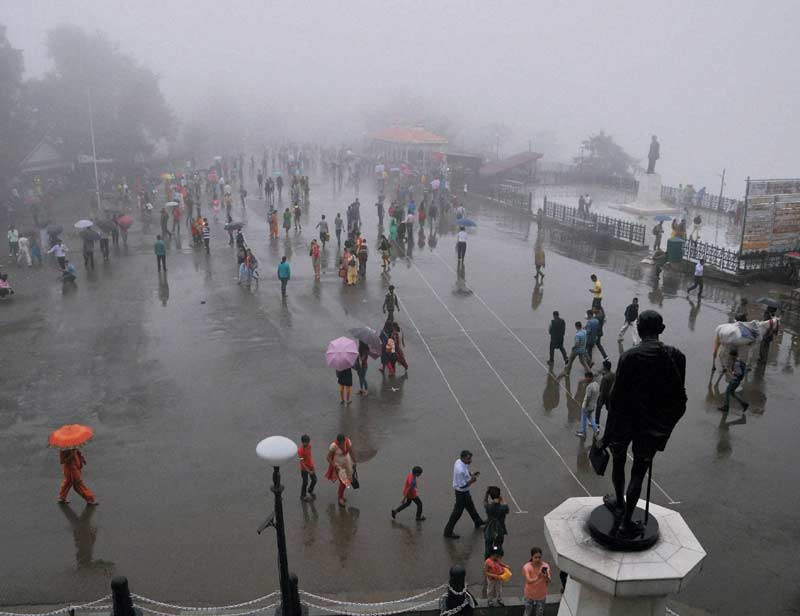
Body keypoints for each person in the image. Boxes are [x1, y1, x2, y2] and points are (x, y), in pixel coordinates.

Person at [602, 310, 687, 534]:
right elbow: (679, 400)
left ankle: (620, 503)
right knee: (639, 472)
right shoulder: (676, 357)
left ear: (638, 329)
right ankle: (626, 519)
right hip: (652, 425)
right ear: (661, 330)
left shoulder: (630, 357)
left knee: (618, 462)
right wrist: (664, 429)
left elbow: (616, 398)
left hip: (627, 421)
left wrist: (607, 434)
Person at [443, 450, 485, 539]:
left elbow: (466, 471)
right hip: (461, 493)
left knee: (470, 506)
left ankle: (478, 521)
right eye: (468, 459)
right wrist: (472, 480)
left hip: (464, 492)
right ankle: (448, 532)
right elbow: (462, 486)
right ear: (463, 458)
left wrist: (471, 474)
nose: (470, 461)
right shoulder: (460, 470)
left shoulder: (459, 461)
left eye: (470, 458)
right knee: (457, 513)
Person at [325, 433, 356, 507]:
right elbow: (328, 457)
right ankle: (340, 498)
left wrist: (354, 461)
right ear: (338, 442)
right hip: (338, 464)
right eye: (340, 443)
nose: (342, 444)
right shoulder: (334, 446)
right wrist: (334, 466)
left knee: (348, 479)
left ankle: (341, 494)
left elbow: (351, 451)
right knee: (343, 481)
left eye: (343, 442)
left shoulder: (348, 441)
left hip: (347, 461)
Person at [522, 547, 551, 616]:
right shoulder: (527, 567)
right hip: (529, 594)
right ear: (532, 557)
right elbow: (529, 580)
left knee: (539, 613)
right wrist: (538, 577)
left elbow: (549, 580)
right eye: (536, 557)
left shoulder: (545, 566)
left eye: (539, 557)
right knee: (527, 612)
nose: (538, 559)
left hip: (541, 595)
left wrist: (546, 576)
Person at [483, 486, 509, 558]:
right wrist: (502, 500)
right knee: (497, 545)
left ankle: (488, 558)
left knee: (488, 545)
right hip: (499, 530)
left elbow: (485, 502)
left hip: (489, 530)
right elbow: (507, 508)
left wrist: (486, 494)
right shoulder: (502, 508)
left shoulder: (489, 507)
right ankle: (496, 555)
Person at [576, 371, 600, 438]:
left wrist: (586, 407)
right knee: (590, 417)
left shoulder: (589, 387)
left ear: (590, 377)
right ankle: (596, 429)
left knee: (583, 419)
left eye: (586, 377)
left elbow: (588, 398)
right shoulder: (596, 384)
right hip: (593, 405)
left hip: (587, 406)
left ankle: (583, 432)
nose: (585, 379)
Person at [595, 359, 616, 428]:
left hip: (603, 396)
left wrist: (600, 398)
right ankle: (612, 422)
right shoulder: (613, 374)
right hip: (610, 396)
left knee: (598, 409)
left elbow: (603, 390)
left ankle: (596, 423)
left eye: (603, 366)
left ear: (605, 367)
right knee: (609, 409)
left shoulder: (605, 378)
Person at [298, 434, 317, 502]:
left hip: (310, 466)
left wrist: (312, 466)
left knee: (314, 480)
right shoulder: (300, 451)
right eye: (307, 442)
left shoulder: (309, 446)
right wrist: (308, 471)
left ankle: (310, 490)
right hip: (304, 469)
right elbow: (302, 463)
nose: (308, 443)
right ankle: (303, 496)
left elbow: (309, 456)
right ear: (303, 442)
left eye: (308, 442)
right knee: (305, 482)